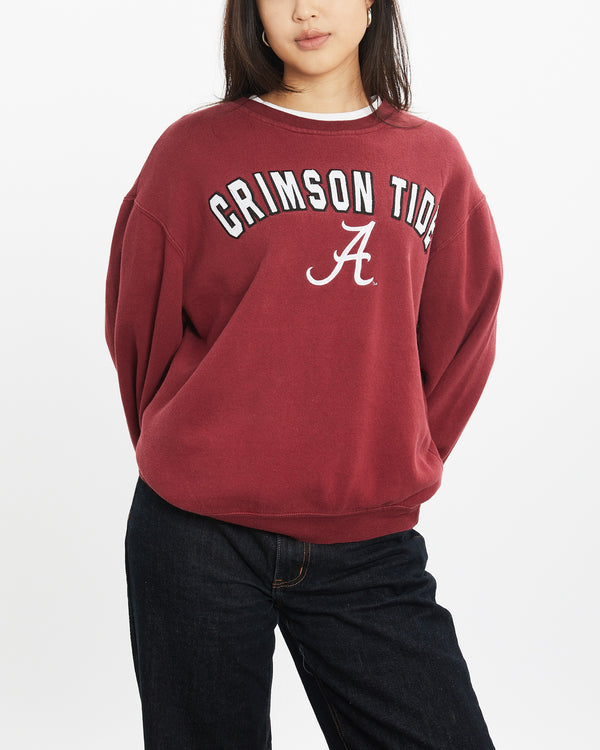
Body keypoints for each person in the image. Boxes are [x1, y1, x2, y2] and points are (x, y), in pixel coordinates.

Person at [105, 0, 502, 747]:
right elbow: (139, 328)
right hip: (197, 535)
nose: (305, 9)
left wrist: (392, 456)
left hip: (368, 544)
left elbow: (462, 332)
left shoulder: (434, 160)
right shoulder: (193, 152)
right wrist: (186, 451)